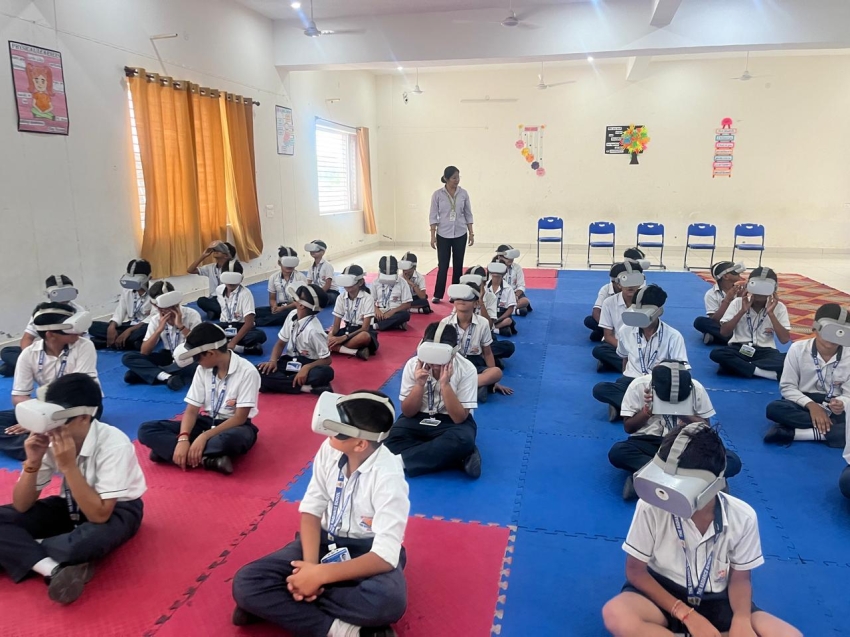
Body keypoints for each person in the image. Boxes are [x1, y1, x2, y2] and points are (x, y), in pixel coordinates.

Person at [231, 391, 409, 637]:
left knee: (387, 602)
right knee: (246, 581)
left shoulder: (389, 477)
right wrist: (311, 567)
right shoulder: (329, 449)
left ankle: (279, 601)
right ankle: (345, 630)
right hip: (323, 542)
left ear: (360, 444)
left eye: (337, 431)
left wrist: (318, 577)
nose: (329, 434)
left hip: (367, 552)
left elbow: (384, 556)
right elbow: (311, 511)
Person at [602, 423, 801, 637]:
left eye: (680, 487)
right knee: (616, 614)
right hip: (662, 594)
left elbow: (740, 579)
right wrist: (687, 615)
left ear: (712, 486)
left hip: (718, 600)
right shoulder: (650, 506)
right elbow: (635, 571)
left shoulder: (743, 516)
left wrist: (741, 619)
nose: (668, 494)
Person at [0, 373, 145, 605]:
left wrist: (68, 466)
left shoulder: (114, 443)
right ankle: (54, 570)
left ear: (84, 418)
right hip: (71, 503)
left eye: (59, 421)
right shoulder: (50, 438)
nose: (52, 428)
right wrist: (32, 462)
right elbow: (21, 505)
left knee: (81, 545)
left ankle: (20, 550)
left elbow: (100, 515)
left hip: (117, 509)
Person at [138, 323, 261, 476]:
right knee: (145, 429)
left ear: (210, 353)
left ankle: (170, 453)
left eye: (196, 357)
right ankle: (208, 460)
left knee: (229, 440)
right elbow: (191, 411)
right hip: (206, 422)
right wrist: (183, 438)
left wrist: (203, 437)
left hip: (234, 426)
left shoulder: (247, 372)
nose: (196, 362)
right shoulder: (202, 369)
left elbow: (239, 418)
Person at [609, 360, 741, 500]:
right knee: (618, 452)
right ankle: (702, 483)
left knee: (732, 460)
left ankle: (651, 479)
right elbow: (628, 427)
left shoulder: (696, 388)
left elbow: (706, 427)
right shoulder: (638, 385)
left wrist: (683, 414)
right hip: (649, 442)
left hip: (687, 441)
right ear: (653, 386)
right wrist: (647, 412)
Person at [0, 304, 99, 461]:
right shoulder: (28, 354)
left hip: (80, 408)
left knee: (76, 425)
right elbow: (19, 397)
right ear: (51, 334)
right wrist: (33, 418)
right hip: (43, 407)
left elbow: (82, 392)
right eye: (71, 328)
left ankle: (39, 450)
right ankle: (52, 449)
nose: (80, 331)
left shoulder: (84, 346)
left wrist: (37, 423)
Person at [385, 322, 481, 478]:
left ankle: (401, 461)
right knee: (389, 440)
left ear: (453, 352)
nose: (434, 362)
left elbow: (459, 418)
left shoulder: (467, 368)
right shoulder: (413, 365)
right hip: (418, 418)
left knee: (463, 440)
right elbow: (408, 412)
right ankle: (458, 457)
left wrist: (445, 385)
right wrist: (419, 384)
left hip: (451, 422)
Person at [593, 285, 688, 421]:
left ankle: (627, 408)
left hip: (659, 383)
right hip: (631, 381)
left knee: (683, 397)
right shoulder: (626, 330)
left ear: (658, 312)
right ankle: (651, 410)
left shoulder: (673, 336)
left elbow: (682, 371)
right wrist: (625, 377)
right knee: (599, 389)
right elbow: (624, 358)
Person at [764, 303, 849, 446]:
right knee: (774, 408)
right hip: (803, 401)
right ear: (815, 327)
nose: (832, 338)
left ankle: (796, 433)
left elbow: (848, 395)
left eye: (840, 332)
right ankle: (835, 430)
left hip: (835, 406)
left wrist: (842, 403)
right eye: (829, 330)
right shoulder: (797, 349)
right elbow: (788, 387)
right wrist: (811, 406)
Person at [710, 267, 791, 379]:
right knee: (717, 353)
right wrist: (742, 311)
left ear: (774, 288)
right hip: (739, 348)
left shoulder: (779, 307)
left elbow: (784, 340)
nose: (760, 293)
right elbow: (724, 332)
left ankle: (737, 367)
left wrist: (771, 314)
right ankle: (763, 372)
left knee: (790, 359)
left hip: (766, 352)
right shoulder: (738, 303)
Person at [121, 281, 202, 391]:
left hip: (188, 356)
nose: (165, 310)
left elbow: (200, 344)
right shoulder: (155, 319)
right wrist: (158, 330)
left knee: (200, 366)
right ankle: (167, 377)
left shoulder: (192, 314)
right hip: (168, 355)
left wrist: (180, 326)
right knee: (128, 359)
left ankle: (157, 374)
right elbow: (144, 351)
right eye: (160, 307)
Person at [0, 275, 86, 377]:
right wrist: (28, 357)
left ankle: (26, 368)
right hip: (45, 352)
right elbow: (27, 338)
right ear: (49, 294)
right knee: (6, 351)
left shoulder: (79, 312)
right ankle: (32, 366)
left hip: (67, 353)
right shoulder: (43, 311)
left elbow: (79, 341)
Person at [258, 284, 334, 395]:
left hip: (309, 363)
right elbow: (280, 343)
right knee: (259, 370)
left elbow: (327, 360)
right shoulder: (292, 314)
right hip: (290, 360)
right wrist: (273, 361)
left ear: (301, 305)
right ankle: (306, 388)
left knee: (326, 372)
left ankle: (275, 384)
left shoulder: (314, 331)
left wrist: (307, 368)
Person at [443, 284, 512, 405]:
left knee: (496, 372)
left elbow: (487, 352)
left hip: (474, 361)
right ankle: (477, 385)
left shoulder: (483, 323)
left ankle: (461, 386)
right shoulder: (445, 322)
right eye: (458, 298)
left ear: (476, 304)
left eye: (467, 299)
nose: (462, 301)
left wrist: (494, 382)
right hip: (453, 362)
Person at [429, 166, 474, 304]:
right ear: (446, 178)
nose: (457, 180)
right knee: (443, 265)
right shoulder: (437, 194)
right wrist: (433, 235)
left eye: (458, 177)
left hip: (460, 233)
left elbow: (468, 214)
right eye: (454, 178)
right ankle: (438, 294)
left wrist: (471, 233)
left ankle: (455, 294)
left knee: (458, 265)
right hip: (443, 234)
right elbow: (433, 215)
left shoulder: (463, 193)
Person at [89, 259, 153, 351]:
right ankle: (127, 343)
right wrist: (112, 326)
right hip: (129, 325)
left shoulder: (155, 291)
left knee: (142, 332)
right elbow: (120, 311)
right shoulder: (127, 290)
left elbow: (153, 319)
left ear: (148, 278)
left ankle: (107, 342)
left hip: (143, 327)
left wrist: (129, 331)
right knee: (92, 326)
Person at [594, 261, 645, 373]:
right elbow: (608, 336)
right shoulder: (609, 302)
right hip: (617, 344)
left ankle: (613, 364)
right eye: (626, 280)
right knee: (599, 350)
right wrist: (627, 351)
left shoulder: (647, 301)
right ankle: (635, 366)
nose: (630, 285)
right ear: (618, 284)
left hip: (641, 346)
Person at [585, 249, 646, 342]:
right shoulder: (606, 291)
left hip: (630, 324)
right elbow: (596, 311)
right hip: (610, 321)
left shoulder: (637, 289)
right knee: (589, 321)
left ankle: (604, 333)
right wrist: (609, 327)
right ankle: (605, 332)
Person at [460, 268, 514, 364]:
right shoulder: (461, 298)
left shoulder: (490, 296)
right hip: (464, 338)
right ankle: (483, 358)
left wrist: (481, 302)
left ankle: (480, 357)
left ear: (483, 283)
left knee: (508, 346)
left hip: (484, 336)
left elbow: (489, 326)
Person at [215, 259, 266, 356]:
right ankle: (243, 349)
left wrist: (233, 342)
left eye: (234, 279)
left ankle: (224, 345)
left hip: (240, 326)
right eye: (228, 278)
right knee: (206, 332)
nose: (231, 282)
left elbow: (249, 323)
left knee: (259, 335)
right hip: (224, 325)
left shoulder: (245, 294)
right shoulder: (219, 290)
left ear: (241, 278)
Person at [328, 265, 379, 361]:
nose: (346, 285)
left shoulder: (368, 298)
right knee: (321, 336)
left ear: (360, 282)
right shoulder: (341, 298)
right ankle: (355, 351)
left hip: (361, 331)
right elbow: (336, 327)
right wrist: (330, 336)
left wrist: (343, 338)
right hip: (347, 329)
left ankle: (335, 348)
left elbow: (365, 328)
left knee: (364, 337)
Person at [694, 262, 747, 346]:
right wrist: (727, 300)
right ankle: (735, 340)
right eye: (734, 272)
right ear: (725, 276)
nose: (739, 273)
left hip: (739, 325)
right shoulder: (711, 294)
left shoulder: (741, 290)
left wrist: (739, 299)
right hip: (722, 326)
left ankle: (716, 338)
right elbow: (715, 320)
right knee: (699, 321)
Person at [255, 246, 307, 327]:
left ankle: (253, 323)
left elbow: (302, 301)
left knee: (284, 315)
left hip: (297, 307)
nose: (289, 266)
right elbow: (272, 298)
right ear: (279, 263)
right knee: (257, 311)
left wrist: (283, 308)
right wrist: (274, 307)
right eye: (286, 263)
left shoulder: (300, 277)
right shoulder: (274, 277)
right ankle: (247, 319)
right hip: (282, 305)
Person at [187, 240, 236, 320]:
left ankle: (215, 311)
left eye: (220, 250)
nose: (216, 251)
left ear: (226, 255)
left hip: (228, 299)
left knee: (231, 305)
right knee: (201, 300)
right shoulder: (210, 267)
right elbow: (190, 270)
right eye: (215, 249)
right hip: (214, 299)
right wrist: (203, 256)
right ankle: (220, 311)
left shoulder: (233, 267)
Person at [373, 255, 413, 332]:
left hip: (395, 312)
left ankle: (377, 326)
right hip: (380, 312)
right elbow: (370, 301)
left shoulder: (402, 282)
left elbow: (407, 304)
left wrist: (391, 312)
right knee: (363, 314)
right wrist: (376, 310)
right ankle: (394, 324)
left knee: (405, 315)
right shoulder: (375, 282)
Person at [495, 245, 532, 316]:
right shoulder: (494, 268)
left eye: (512, 257)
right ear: (499, 257)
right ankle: (514, 310)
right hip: (500, 295)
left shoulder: (517, 268)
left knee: (525, 301)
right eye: (508, 258)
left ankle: (504, 310)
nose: (511, 259)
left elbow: (521, 285)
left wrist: (515, 295)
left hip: (515, 294)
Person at [486, 260, 517, 337]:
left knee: (508, 320)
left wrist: (498, 319)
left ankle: (490, 329)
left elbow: (510, 309)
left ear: (504, 273)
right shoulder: (484, 286)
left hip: (501, 315)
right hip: (487, 314)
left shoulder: (508, 288)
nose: (496, 272)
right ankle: (495, 329)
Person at [305, 240, 339, 308]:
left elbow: (328, 285)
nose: (313, 252)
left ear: (323, 252)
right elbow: (309, 282)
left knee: (321, 299)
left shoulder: (327, 266)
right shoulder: (311, 267)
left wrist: (318, 294)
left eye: (316, 250)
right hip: (317, 291)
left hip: (331, 292)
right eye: (311, 250)